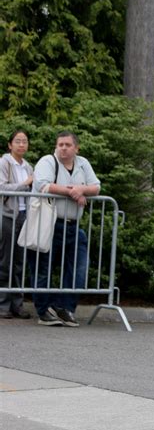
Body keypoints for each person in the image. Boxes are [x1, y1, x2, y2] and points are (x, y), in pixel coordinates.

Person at [30, 131, 100, 327]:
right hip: (49, 223)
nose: (63, 148)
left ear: (76, 148)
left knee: (79, 267)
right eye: (60, 144)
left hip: (73, 225)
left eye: (68, 145)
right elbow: (42, 184)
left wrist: (82, 190)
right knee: (43, 268)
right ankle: (43, 311)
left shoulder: (83, 163)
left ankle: (65, 308)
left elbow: (96, 187)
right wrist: (73, 192)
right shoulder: (47, 161)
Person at [0, 130, 34, 318]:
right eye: (18, 141)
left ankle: (17, 304)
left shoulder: (28, 166)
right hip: (7, 215)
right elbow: (2, 186)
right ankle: (3, 304)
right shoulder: (4, 163)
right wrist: (25, 183)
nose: (21, 145)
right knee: (5, 260)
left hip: (23, 215)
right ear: (10, 144)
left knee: (20, 261)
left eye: (25, 141)